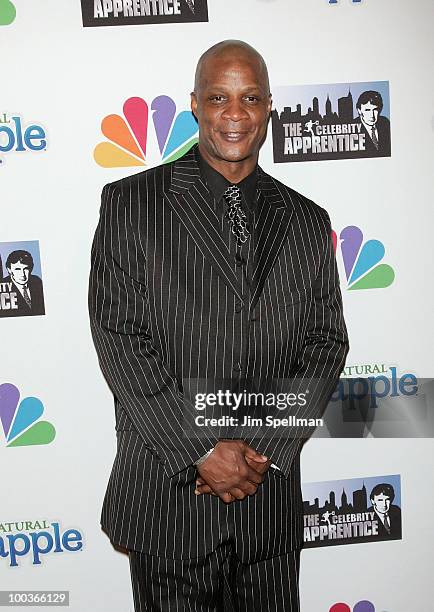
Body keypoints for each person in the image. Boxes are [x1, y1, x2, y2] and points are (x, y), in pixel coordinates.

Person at [88, 39, 349, 611]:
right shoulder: (132, 203)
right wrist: (203, 448)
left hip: (268, 499)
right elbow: (120, 339)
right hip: (169, 491)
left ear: (270, 107)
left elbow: (326, 344)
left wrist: (263, 447)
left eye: (250, 98)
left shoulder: (307, 220)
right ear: (195, 105)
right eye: (219, 98)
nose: (235, 114)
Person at [0, 250, 45, 317]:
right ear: (9, 270)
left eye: (25, 269)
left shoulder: (37, 281)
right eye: (17, 269)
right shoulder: (3, 287)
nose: (22, 274)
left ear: (31, 268)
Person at [354, 90, 391, 157]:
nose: (372, 115)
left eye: (375, 110)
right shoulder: (352, 128)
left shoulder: (385, 123)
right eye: (367, 110)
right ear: (359, 111)